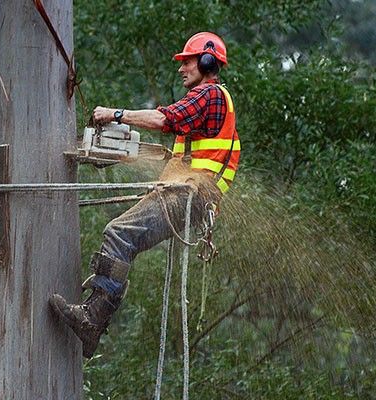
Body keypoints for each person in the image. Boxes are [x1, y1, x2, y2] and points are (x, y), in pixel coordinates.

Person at [50, 32, 241, 358]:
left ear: (207, 62)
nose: (181, 69)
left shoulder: (209, 94)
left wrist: (115, 114)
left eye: (188, 61)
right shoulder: (211, 105)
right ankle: (93, 316)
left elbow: (164, 118)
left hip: (190, 196)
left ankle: (92, 319)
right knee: (122, 235)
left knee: (119, 234)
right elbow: (184, 153)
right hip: (188, 196)